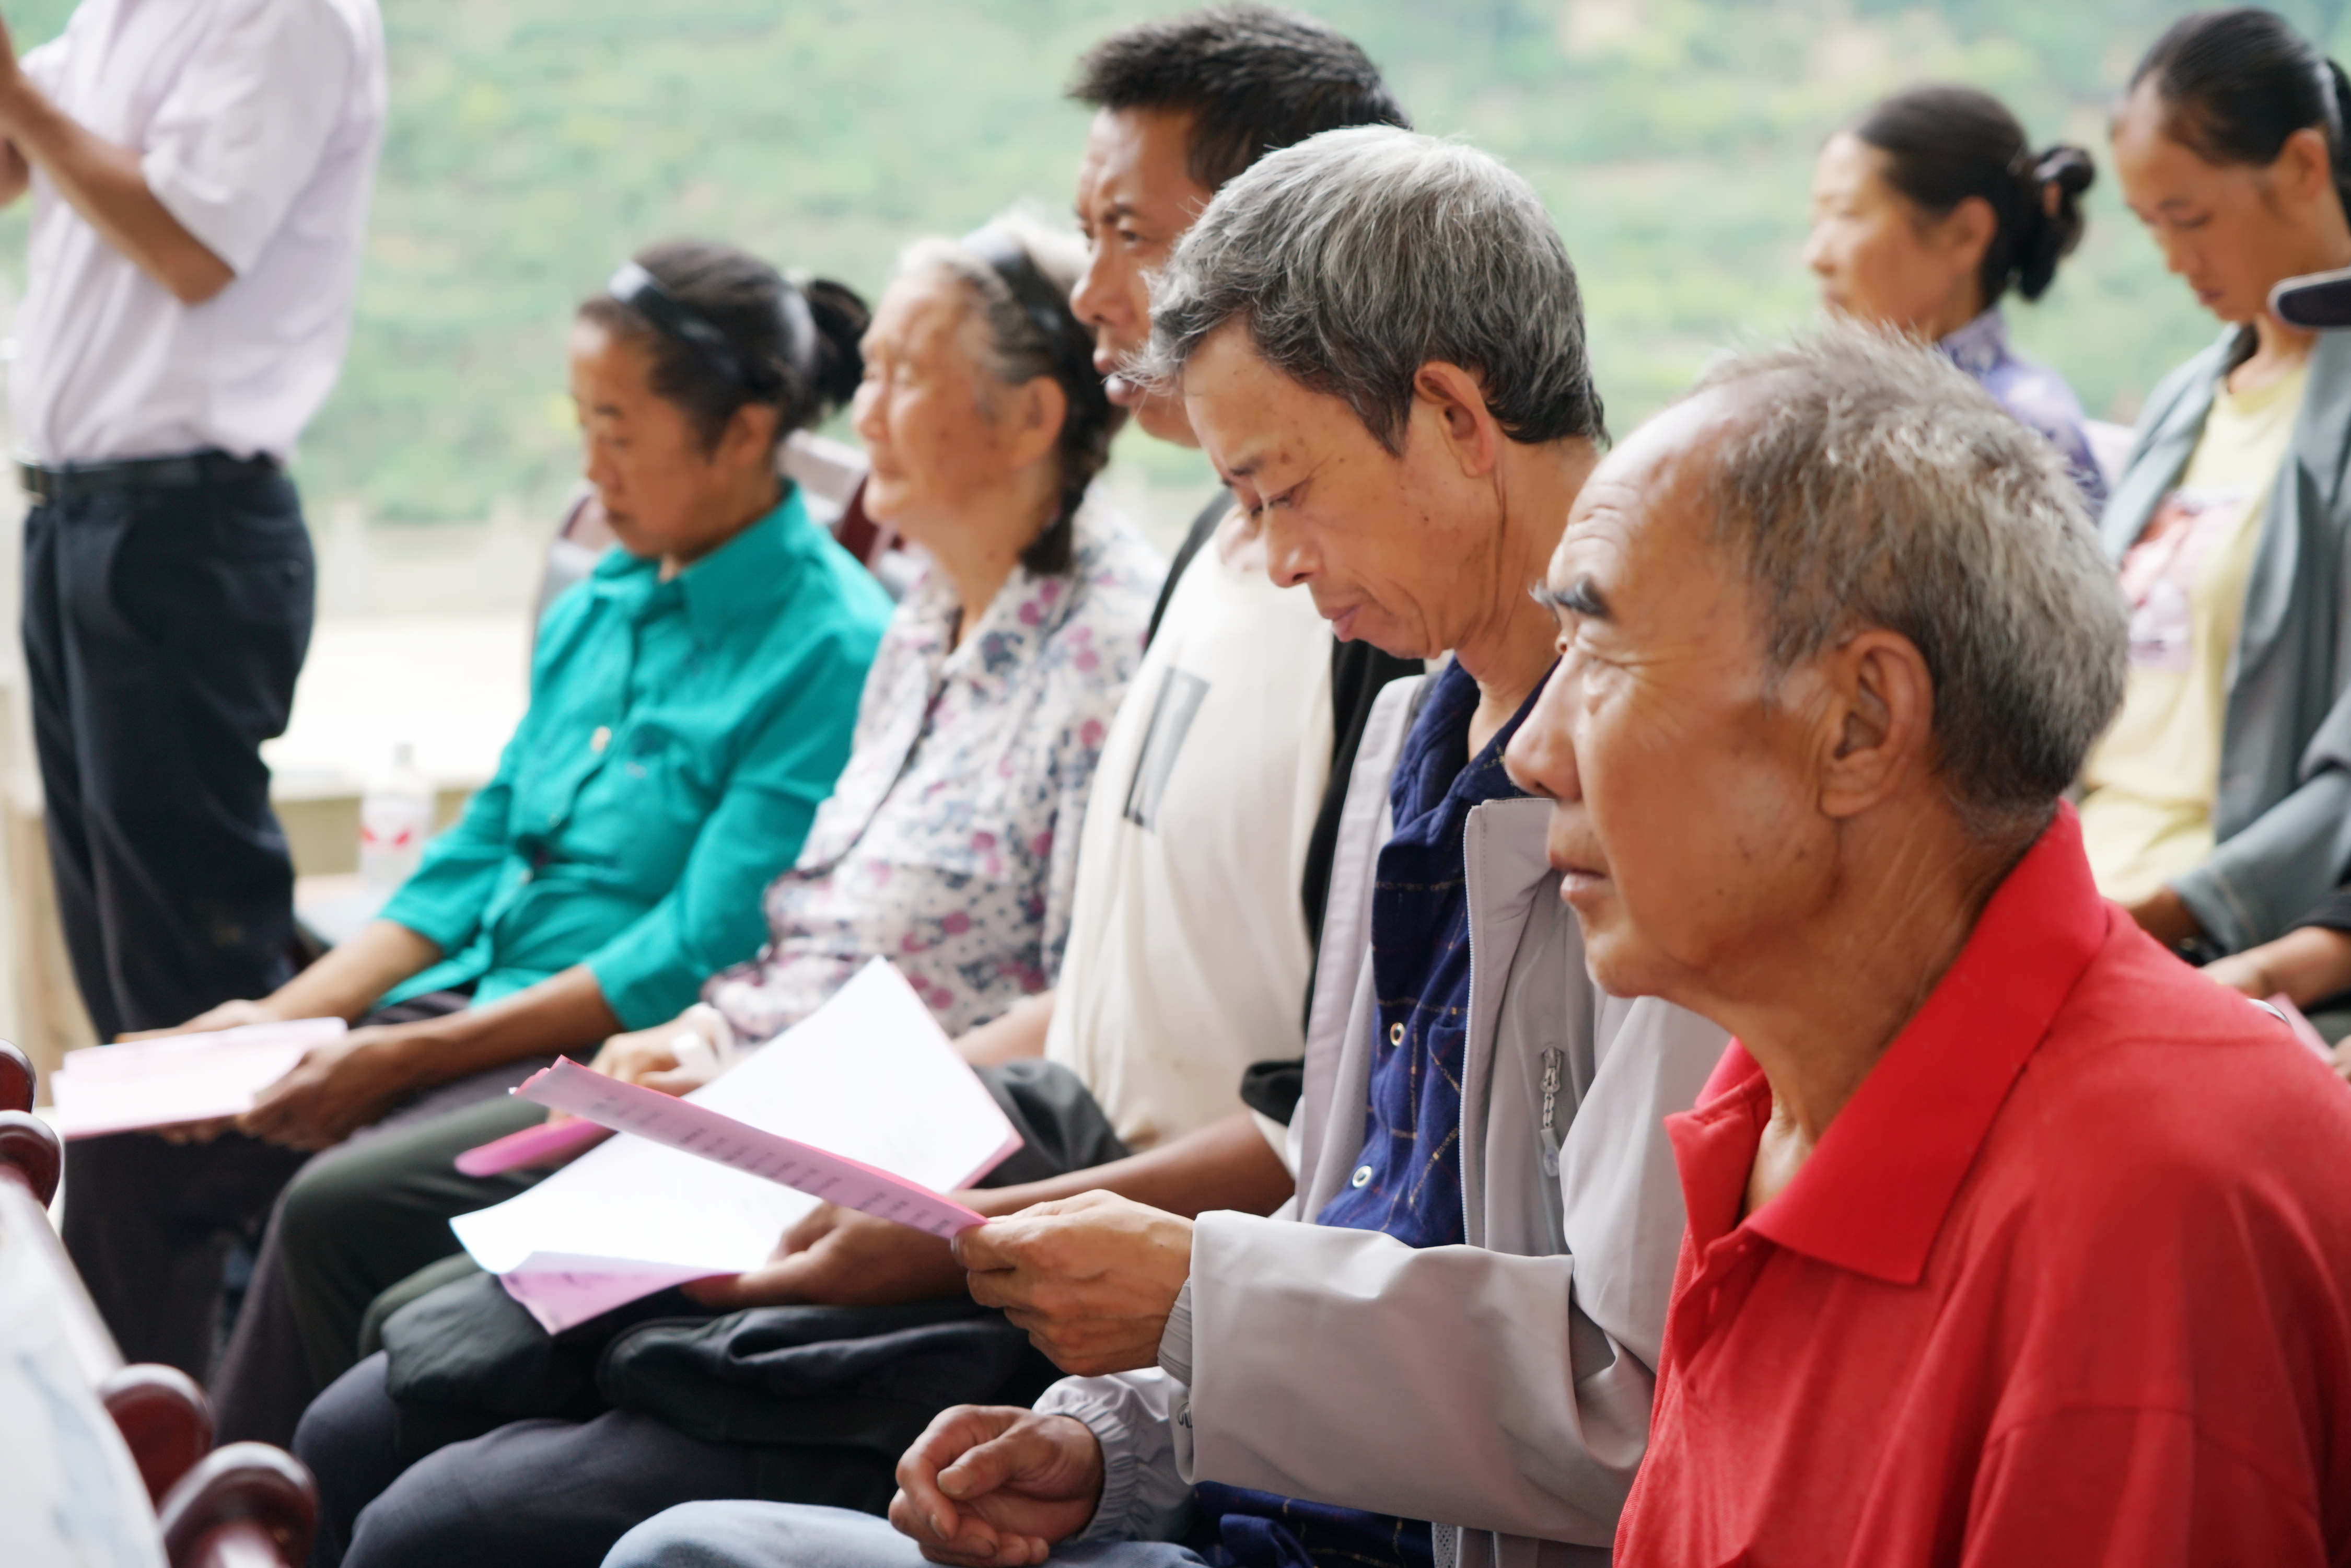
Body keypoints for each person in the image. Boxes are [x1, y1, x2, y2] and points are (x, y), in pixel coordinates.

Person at [607, 125, 1729, 1568]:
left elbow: (1640, 1414)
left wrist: (1207, 1299)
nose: (1268, 556)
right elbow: (1351, 1215)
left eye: (1280, 489)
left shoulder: (1667, 795)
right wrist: (1113, 1442)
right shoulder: (1410, 740)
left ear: (1452, 416)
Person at [288, 215, 1163, 1568]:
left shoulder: (1106, 653)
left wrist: (773, 1096)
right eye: (862, 370)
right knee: (369, 1376)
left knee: (405, 1448)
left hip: (870, 1170)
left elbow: (1083, 1004)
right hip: (735, 1108)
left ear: (1028, 416)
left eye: (899, 377)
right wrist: (705, 1042)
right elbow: (802, 915)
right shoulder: (929, 610)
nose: (858, 412)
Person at [1511, 321, 2351, 1560]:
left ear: (1858, 723)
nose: (1534, 751)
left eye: (1601, 653)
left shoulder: (2149, 1206)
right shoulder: (1774, 1080)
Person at [84, 240, 893, 1430]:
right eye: (581, 422)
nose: (589, 466)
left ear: (740, 430)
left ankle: (235, 1509)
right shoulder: (609, 595)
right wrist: (287, 1016)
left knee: (323, 1199)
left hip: (610, 1060)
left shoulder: (828, 644)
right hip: (471, 1007)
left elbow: (685, 948)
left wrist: (401, 1055)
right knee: (135, 1140)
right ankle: (120, 1464)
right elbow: (478, 850)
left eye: (619, 429)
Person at [2084, 8, 2351, 955]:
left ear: (2305, 169)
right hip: (2086, 895)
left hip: (2217, 933)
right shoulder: (2184, 403)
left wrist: (2172, 911)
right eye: (2151, 224)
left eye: (2190, 218)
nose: (2171, 258)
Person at [1803, 83, 2105, 510]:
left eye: (1846, 215)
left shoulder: (2024, 432)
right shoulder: (1839, 404)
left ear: (1965, 234)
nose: (1815, 256)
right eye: (1816, 221)